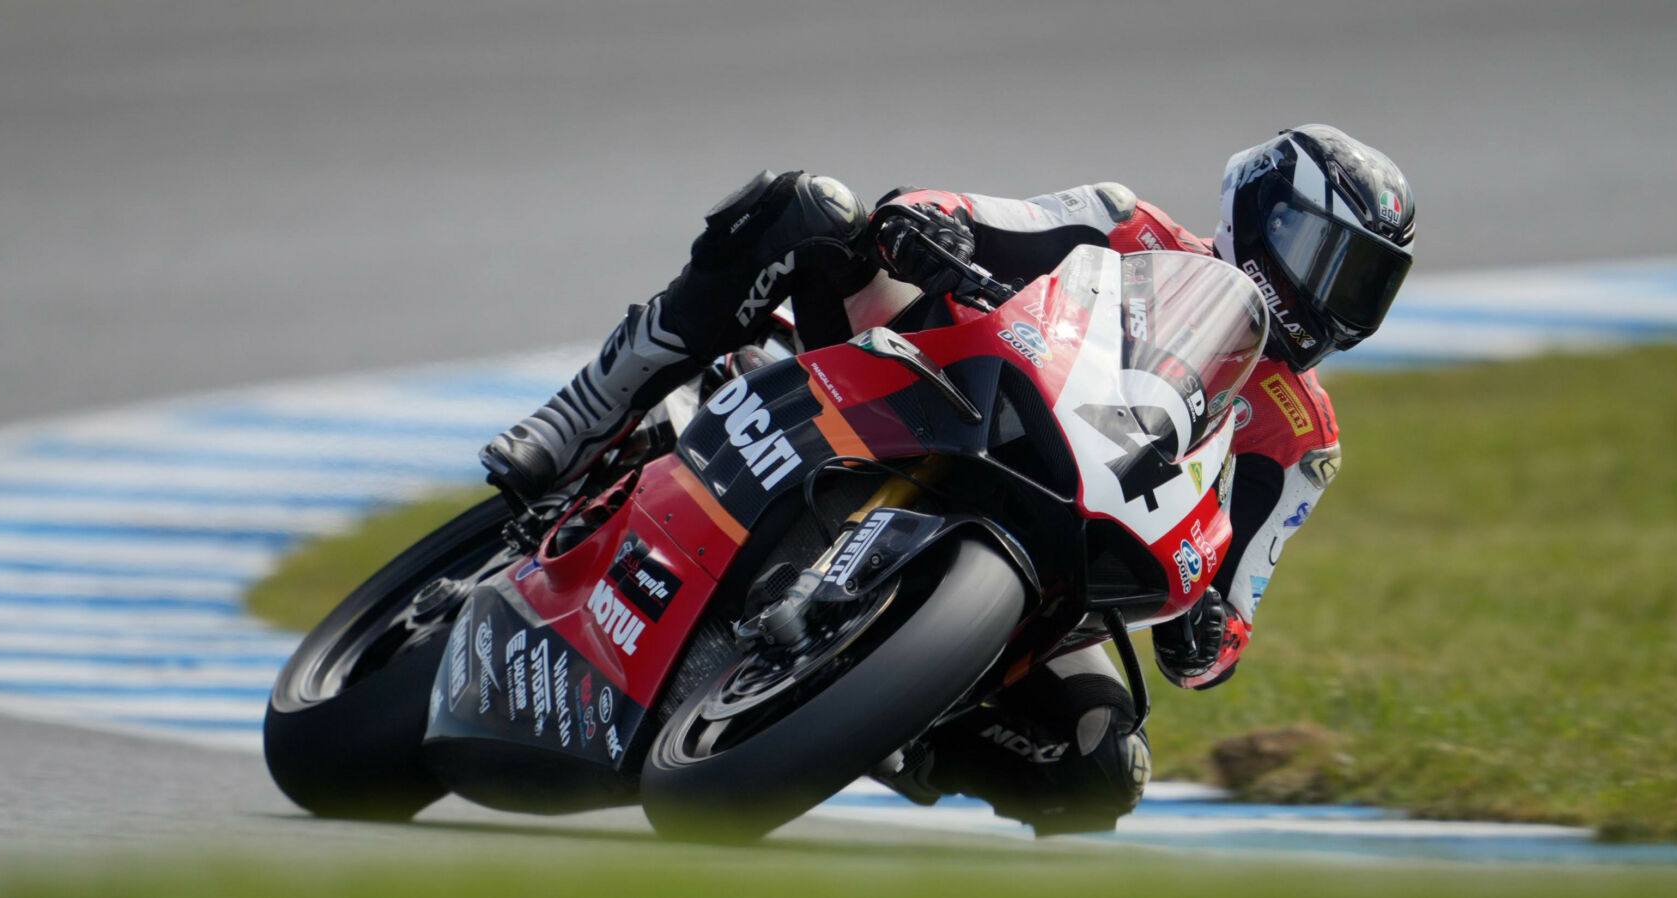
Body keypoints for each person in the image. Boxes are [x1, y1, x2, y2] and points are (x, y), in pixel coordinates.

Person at [480, 124, 1416, 834]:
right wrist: (925, 226)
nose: (1332, 295)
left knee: (1100, 767)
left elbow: (1236, 600)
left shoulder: (1303, 439)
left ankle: (885, 711)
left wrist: (1209, 629)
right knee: (810, 210)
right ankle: (586, 415)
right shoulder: (1127, 223)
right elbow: (974, 218)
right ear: (1261, 215)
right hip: (939, 392)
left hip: (1060, 564)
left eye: (1364, 281)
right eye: (1324, 255)